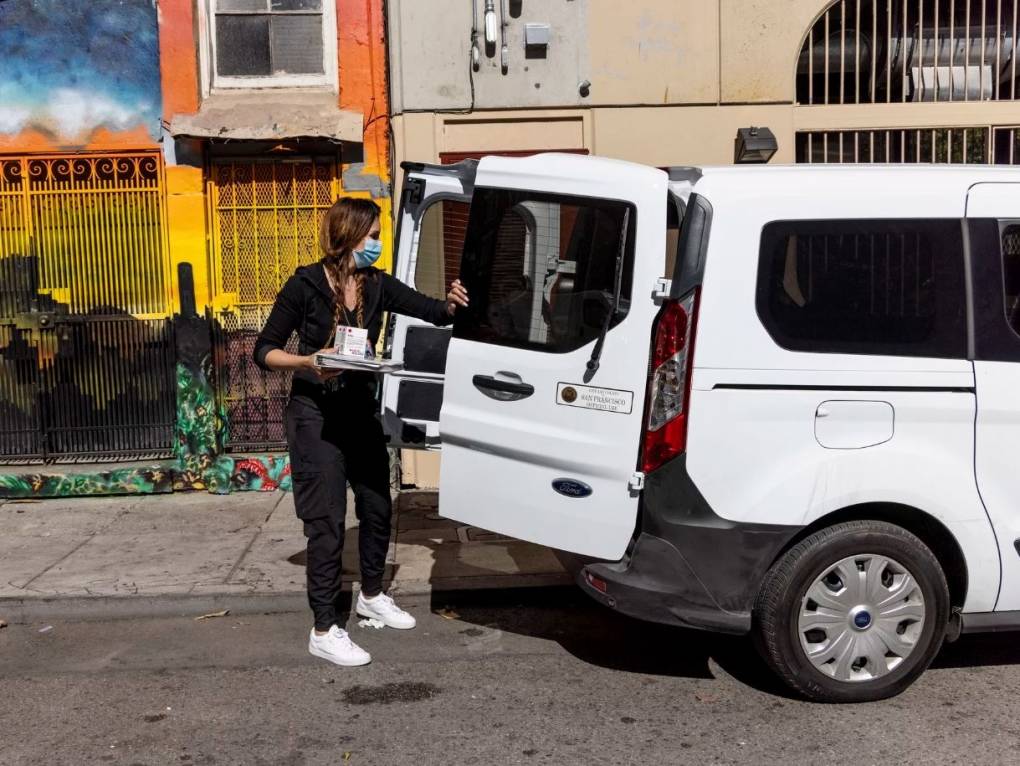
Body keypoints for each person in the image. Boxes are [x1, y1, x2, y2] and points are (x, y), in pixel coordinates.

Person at [253, 197, 469, 667]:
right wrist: (308, 363)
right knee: (327, 523)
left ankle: (371, 594)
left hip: (359, 416)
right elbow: (264, 350)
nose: (378, 243)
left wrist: (454, 300)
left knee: (376, 507)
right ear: (348, 236)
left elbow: (435, 312)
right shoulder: (305, 285)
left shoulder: (377, 286)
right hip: (316, 418)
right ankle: (325, 627)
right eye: (372, 236)